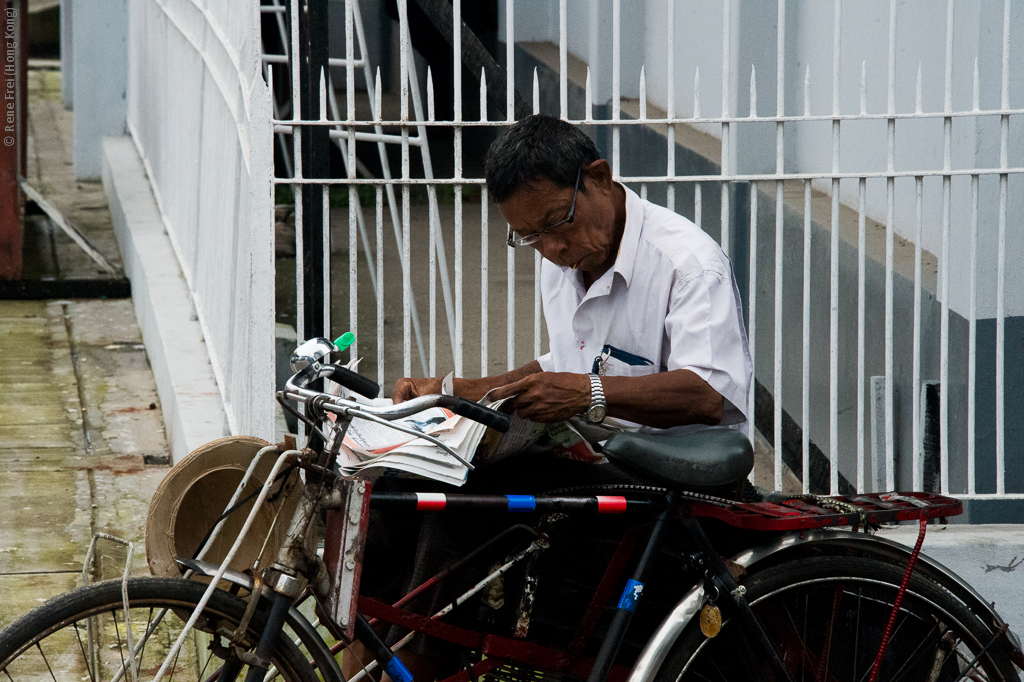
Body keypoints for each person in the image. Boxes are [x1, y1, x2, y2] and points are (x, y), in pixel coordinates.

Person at [393, 114, 752, 436]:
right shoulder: (566, 258)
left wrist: (587, 392)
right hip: (594, 458)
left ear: (599, 178)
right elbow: (573, 365)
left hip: (675, 480)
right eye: (530, 236)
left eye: (557, 222)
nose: (551, 250)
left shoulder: (688, 264)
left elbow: (708, 394)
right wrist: (454, 392)